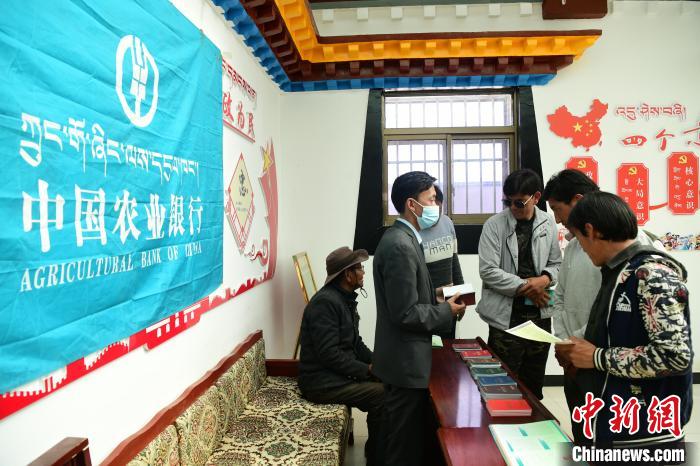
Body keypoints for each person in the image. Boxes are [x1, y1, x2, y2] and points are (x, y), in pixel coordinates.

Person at [557, 191, 692, 448]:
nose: (581, 248)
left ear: (591, 230)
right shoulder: (619, 272)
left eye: (579, 239)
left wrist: (598, 357)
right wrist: (576, 349)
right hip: (615, 422)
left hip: (647, 435)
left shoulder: (652, 275)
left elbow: (675, 357)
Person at [543, 169, 663, 443]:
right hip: (575, 361)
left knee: (614, 440)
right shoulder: (575, 245)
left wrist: (579, 345)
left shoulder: (638, 251)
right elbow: (560, 297)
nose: (557, 219)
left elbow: (611, 311)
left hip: (612, 364)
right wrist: (564, 342)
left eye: (557, 209)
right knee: (584, 435)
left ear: (577, 200)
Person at [373, 171, 466, 466]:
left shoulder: (405, 238)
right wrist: (446, 311)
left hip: (406, 356)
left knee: (411, 436)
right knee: (403, 444)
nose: (436, 204)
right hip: (404, 361)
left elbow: (410, 295)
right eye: (432, 199)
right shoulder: (400, 246)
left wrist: (437, 295)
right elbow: (405, 313)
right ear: (412, 205)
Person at [476, 168, 561, 399]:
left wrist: (544, 279)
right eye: (508, 202)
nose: (513, 208)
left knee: (533, 385)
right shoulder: (494, 225)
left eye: (519, 203)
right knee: (502, 386)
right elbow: (488, 271)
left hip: (540, 314)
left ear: (536, 197)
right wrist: (528, 288)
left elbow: (557, 264)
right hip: (506, 318)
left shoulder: (547, 222)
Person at [298, 246, 384, 465]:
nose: (363, 272)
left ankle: (378, 450)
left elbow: (355, 343)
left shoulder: (343, 299)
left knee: (388, 382)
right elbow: (329, 354)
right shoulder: (325, 304)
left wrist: (377, 362)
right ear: (348, 275)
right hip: (320, 383)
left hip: (333, 376)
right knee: (383, 395)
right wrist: (367, 370)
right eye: (360, 268)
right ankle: (377, 457)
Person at [420, 184, 465, 338]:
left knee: (448, 348)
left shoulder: (447, 223)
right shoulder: (414, 231)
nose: (436, 213)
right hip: (427, 309)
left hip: (450, 304)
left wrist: (462, 296)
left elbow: (454, 262)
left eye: (438, 208)